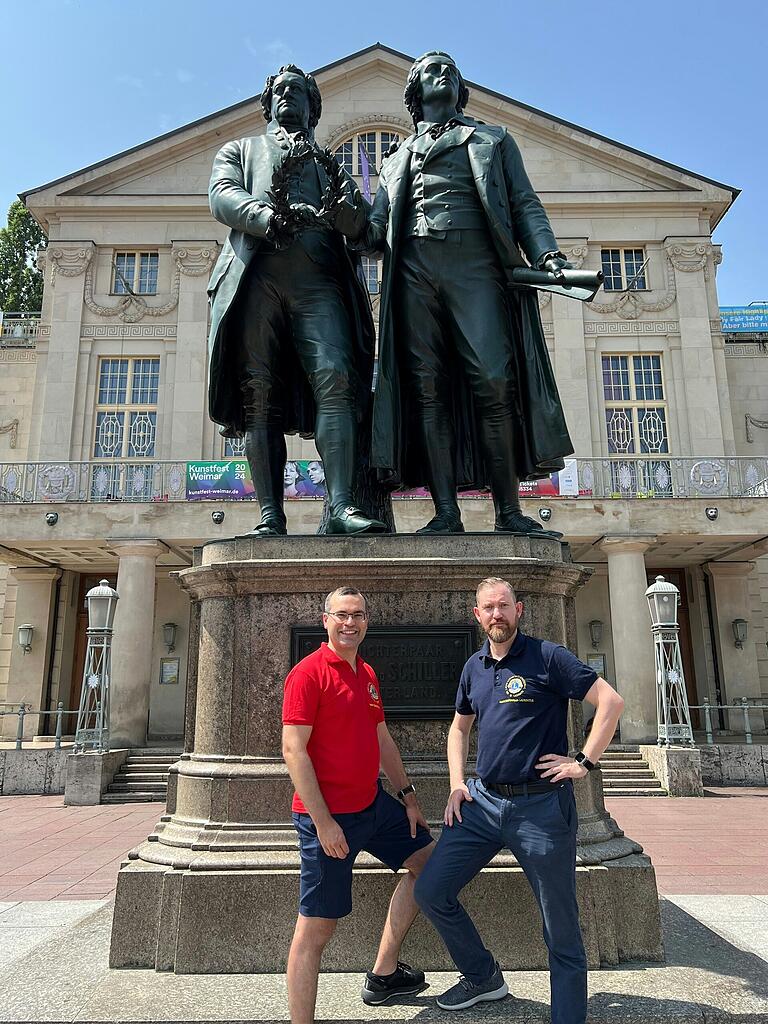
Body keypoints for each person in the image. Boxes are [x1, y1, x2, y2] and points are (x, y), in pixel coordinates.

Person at [365, 52, 573, 535]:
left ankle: (508, 510)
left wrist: (547, 255)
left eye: (451, 71)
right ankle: (445, 513)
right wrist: (343, 215)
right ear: (416, 92)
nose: (445, 73)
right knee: (426, 389)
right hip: (414, 272)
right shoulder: (394, 159)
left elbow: (525, 204)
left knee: (494, 381)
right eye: (433, 69)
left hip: (475, 266)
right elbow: (375, 232)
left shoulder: (493, 140)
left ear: (461, 90)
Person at [414, 577, 625, 1024]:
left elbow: (610, 701)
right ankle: (483, 975)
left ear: (519, 610)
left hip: (541, 808)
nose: (497, 615)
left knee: (560, 926)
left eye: (504, 606)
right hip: (483, 805)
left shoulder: (548, 657)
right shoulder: (473, 666)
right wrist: (456, 782)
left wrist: (583, 763)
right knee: (431, 890)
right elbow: (458, 728)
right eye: (488, 608)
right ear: (477, 614)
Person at [207, 64, 385, 536]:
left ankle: (342, 506)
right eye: (280, 91)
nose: (288, 96)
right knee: (257, 395)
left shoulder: (332, 166)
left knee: (337, 380)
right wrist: (265, 215)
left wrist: (352, 219)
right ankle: (270, 516)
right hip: (257, 277)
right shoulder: (240, 150)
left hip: (320, 281)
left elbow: (368, 232)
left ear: (312, 107)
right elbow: (221, 195)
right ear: (268, 104)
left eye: (298, 91)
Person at [282, 586, 435, 1024]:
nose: (351, 623)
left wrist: (406, 797)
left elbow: (381, 737)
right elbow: (294, 751)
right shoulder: (308, 674)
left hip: (373, 806)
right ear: (326, 619)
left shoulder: (365, 672)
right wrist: (324, 822)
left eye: (359, 616)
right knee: (316, 929)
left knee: (429, 861)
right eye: (343, 615)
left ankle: (384, 973)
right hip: (328, 819)